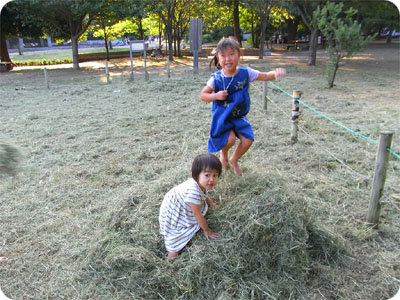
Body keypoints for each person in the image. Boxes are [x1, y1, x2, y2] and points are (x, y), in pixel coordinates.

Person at [200, 37, 286, 174]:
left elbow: (264, 76)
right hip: (223, 117)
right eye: (223, 55)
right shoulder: (216, 78)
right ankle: (224, 154)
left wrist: (275, 74)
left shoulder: (246, 73)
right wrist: (215, 96)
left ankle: (234, 159)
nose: (228, 59)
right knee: (230, 140)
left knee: (248, 141)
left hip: (239, 115)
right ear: (218, 57)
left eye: (232, 54)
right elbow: (203, 95)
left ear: (239, 55)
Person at [159, 154, 222, 260]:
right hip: (173, 212)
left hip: (178, 202)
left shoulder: (200, 184)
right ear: (196, 175)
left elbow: (204, 195)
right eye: (207, 175)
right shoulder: (192, 192)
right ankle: (170, 259)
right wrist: (207, 230)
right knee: (175, 241)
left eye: (215, 175)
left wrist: (211, 203)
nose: (211, 179)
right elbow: (197, 214)